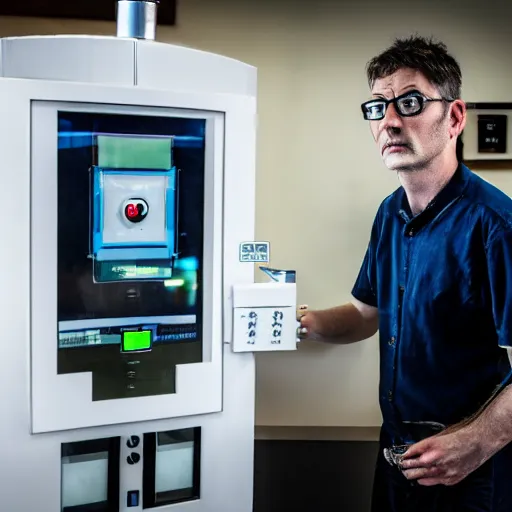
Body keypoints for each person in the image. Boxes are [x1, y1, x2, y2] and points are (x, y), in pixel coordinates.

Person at [297, 35, 512, 511]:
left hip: (470, 472)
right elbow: (363, 313)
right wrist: (294, 322)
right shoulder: (388, 214)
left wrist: (478, 440)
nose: (389, 120)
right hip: (395, 463)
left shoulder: (495, 225)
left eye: (410, 102)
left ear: (454, 117)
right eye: (377, 107)